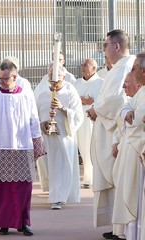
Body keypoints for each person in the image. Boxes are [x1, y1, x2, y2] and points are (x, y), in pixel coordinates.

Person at [0, 60, 46, 236]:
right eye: (0, 78)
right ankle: (4, 223)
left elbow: (34, 122)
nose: (1, 82)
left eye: (5, 79)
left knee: (23, 188)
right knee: (3, 189)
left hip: (22, 148)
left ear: (15, 77)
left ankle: (22, 223)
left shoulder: (26, 96)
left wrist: (37, 146)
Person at [86, 29, 135, 239]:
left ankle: (123, 229)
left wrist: (96, 110)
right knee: (114, 180)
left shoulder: (127, 66)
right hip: (109, 127)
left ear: (116, 46)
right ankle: (117, 227)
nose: (104, 50)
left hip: (118, 132)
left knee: (120, 179)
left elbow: (119, 100)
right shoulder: (117, 68)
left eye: (105, 46)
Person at [36, 62, 83, 210]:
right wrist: (41, 124)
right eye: (52, 78)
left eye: (58, 79)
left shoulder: (70, 92)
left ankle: (58, 197)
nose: (55, 82)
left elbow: (79, 115)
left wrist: (63, 109)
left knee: (63, 166)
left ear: (64, 77)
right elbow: (35, 116)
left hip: (64, 137)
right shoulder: (42, 94)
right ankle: (55, 194)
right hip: (48, 138)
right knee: (51, 166)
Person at [112, 53, 145, 240]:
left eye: (134, 69)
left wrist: (134, 118)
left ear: (143, 71)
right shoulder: (141, 92)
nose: (132, 72)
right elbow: (124, 108)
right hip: (132, 151)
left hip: (139, 154)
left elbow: (139, 123)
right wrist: (126, 114)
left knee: (138, 199)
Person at [74, 58, 103, 188]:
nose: (82, 67)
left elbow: (104, 101)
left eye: (86, 65)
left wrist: (92, 101)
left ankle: (92, 178)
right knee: (81, 148)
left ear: (94, 68)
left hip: (92, 121)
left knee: (91, 148)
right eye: (82, 64)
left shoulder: (101, 82)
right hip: (79, 120)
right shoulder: (77, 83)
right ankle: (85, 177)